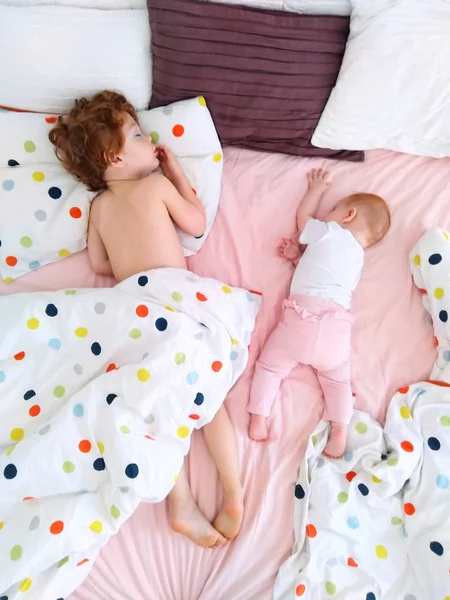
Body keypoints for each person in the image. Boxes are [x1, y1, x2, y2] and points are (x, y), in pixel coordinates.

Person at [49, 90, 243, 548]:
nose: (150, 138)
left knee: (153, 404)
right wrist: (175, 172)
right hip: (173, 304)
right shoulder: (156, 187)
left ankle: (181, 501)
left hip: (130, 314)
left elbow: (98, 264)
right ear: (115, 157)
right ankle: (232, 493)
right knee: (207, 397)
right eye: (138, 134)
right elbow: (196, 224)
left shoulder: (99, 207)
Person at [247, 169, 391, 458]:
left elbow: (303, 222)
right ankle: (339, 430)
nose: (328, 215)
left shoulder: (331, 232)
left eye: (333, 210)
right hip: (335, 329)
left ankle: (258, 419)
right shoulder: (357, 258)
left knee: (270, 369)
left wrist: (315, 190)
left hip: (300, 319)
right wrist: (296, 259)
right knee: (338, 382)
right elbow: (323, 276)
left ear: (348, 215)